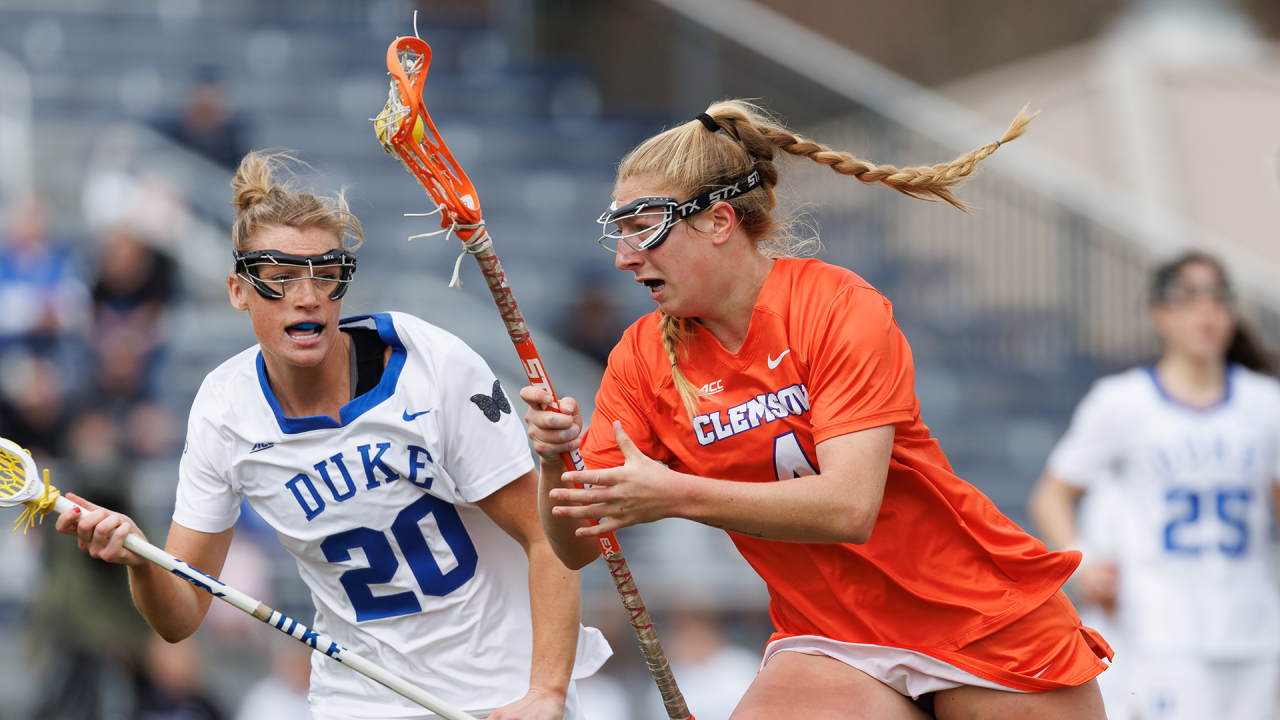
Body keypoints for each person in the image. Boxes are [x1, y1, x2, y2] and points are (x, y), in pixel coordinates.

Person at [522, 101, 1111, 720]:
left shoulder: (835, 307)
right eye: (617, 232)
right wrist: (556, 464)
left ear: (719, 221)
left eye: (643, 227)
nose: (624, 256)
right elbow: (576, 546)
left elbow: (848, 506)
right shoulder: (640, 357)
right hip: (832, 638)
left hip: (975, 616)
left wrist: (673, 494)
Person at [56, 152, 609, 720]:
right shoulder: (225, 412)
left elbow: (551, 542)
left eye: (327, 274)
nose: (308, 296)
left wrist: (544, 693)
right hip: (359, 697)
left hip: (499, 690)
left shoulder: (430, 365)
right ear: (237, 291)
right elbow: (181, 615)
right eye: (280, 278)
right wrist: (141, 560)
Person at [1029, 251, 1280, 720]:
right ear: (1159, 313)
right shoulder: (1122, 402)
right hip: (1161, 631)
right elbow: (1052, 495)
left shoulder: (1266, 404)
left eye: (1217, 299)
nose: (1205, 313)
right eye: (1189, 299)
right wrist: (1081, 558)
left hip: (1253, 631)